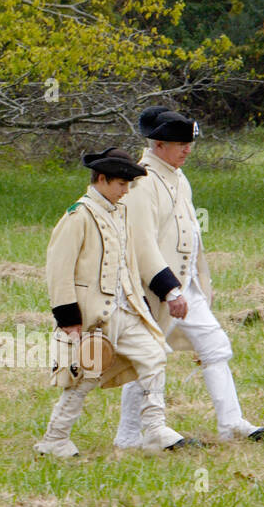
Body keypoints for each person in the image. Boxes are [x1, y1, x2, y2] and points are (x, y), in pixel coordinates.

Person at [116, 107, 264, 446]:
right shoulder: (141, 181)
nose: (188, 150)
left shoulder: (177, 176)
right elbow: (142, 244)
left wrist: (197, 285)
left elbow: (191, 234)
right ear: (158, 144)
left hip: (187, 287)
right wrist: (169, 291)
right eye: (180, 143)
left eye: (190, 143)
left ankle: (232, 424)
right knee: (147, 358)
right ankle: (129, 436)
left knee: (216, 347)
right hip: (153, 289)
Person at [35, 147, 196, 457]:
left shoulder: (121, 212)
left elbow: (137, 259)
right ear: (102, 179)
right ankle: (54, 439)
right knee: (83, 380)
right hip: (95, 316)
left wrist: (158, 295)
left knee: (154, 356)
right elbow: (59, 269)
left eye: (128, 184)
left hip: (128, 310)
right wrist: (68, 318)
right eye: (121, 184)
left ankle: (154, 429)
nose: (125, 191)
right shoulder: (77, 215)